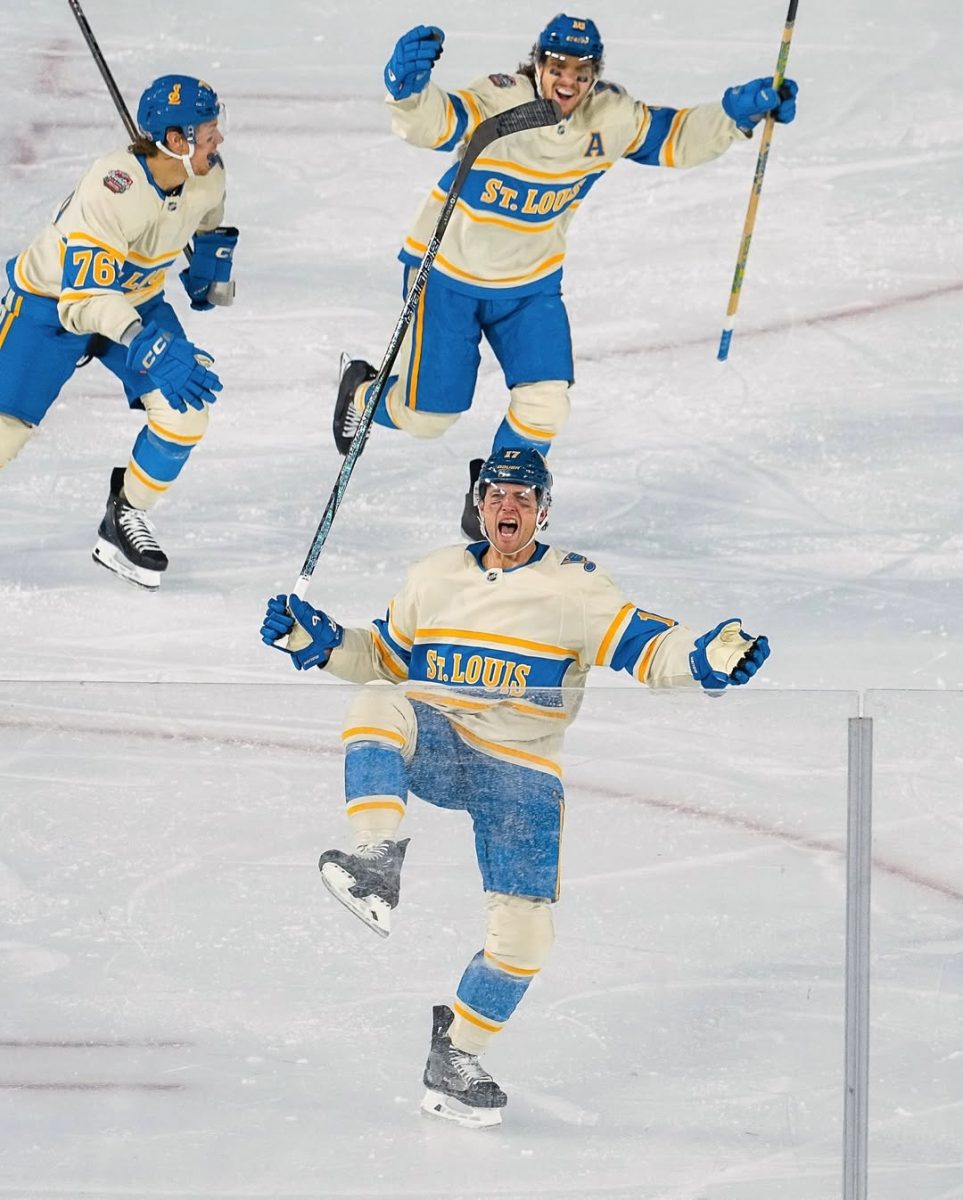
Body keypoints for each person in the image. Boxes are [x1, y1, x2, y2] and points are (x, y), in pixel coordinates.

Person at [259, 446, 770, 1128]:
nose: (509, 506)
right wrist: (315, 641)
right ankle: (375, 858)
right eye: (497, 494)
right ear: (477, 504)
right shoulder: (434, 574)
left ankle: (456, 1058)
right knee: (380, 699)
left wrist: (704, 656)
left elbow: (649, 647)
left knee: (525, 935)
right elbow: (382, 655)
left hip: (522, 768)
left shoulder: (575, 586)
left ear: (544, 511)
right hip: (443, 738)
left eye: (525, 498)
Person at [332, 14, 798, 538]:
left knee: (546, 403)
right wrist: (409, 91)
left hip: (530, 286)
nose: (569, 82)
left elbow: (673, 135)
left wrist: (738, 114)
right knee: (429, 418)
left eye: (582, 70)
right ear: (537, 63)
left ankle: (497, 496)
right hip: (447, 276)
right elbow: (438, 121)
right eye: (557, 67)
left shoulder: (608, 116)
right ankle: (362, 394)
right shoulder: (501, 100)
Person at [0, 74, 238, 589]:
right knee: (3, 435)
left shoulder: (208, 174)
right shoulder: (114, 186)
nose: (218, 141)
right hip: (52, 303)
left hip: (136, 301)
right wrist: (147, 345)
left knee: (186, 410)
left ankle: (124, 515)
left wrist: (209, 273)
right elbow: (83, 301)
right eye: (209, 131)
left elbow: (208, 221)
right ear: (176, 141)